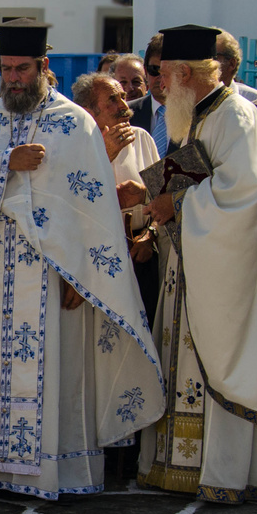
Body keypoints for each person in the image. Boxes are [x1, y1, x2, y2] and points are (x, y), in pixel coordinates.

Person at [0, 24, 163, 500]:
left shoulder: (73, 123)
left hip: (53, 278)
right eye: (7, 71)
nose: (12, 79)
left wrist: (84, 275)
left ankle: (46, 473)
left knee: (55, 379)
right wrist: (3, 163)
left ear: (43, 69)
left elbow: (93, 209)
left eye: (23, 69)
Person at [139, 25, 257, 504]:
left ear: (186, 73)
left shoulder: (235, 115)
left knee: (223, 358)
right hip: (195, 264)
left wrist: (179, 205)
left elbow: (244, 194)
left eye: (165, 75)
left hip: (225, 272)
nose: (161, 84)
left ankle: (227, 471)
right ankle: (183, 468)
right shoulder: (196, 114)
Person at [74, 71, 161, 325]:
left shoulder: (142, 138)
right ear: (88, 111)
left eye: (123, 97)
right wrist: (105, 154)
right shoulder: (75, 145)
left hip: (140, 256)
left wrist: (150, 236)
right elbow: (70, 201)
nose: (124, 106)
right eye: (113, 99)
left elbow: (163, 199)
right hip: (96, 265)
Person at [127, 34, 167, 148]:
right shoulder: (126, 114)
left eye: (166, 72)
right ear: (145, 70)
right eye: (154, 70)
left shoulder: (194, 116)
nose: (161, 78)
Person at [217, 30, 257, 109]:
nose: (207, 63)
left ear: (232, 64)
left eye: (214, 57)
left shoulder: (253, 99)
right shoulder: (193, 98)